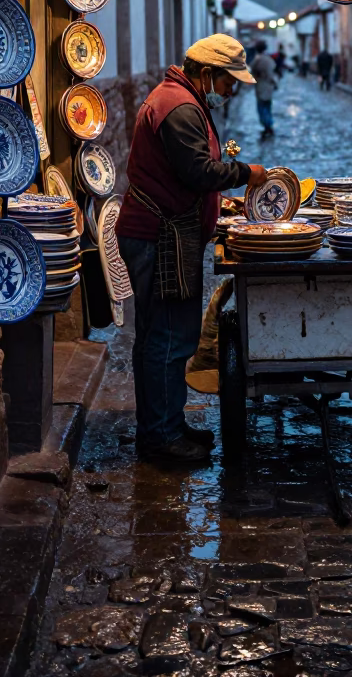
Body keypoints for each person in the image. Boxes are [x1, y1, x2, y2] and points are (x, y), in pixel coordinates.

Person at [116, 35, 267, 465]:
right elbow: (198, 170)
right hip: (158, 238)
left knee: (156, 337)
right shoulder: (180, 107)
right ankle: (162, 439)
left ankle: (165, 426)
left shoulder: (179, 98)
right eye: (229, 82)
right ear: (206, 74)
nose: (232, 90)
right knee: (167, 338)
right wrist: (246, 173)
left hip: (162, 234)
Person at [251, 39, 278, 136]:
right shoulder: (269, 59)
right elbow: (272, 73)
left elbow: (252, 71)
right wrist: (275, 84)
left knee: (262, 107)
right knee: (268, 106)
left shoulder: (257, 59)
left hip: (261, 86)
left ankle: (267, 126)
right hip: (269, 86)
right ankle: (268, 125)